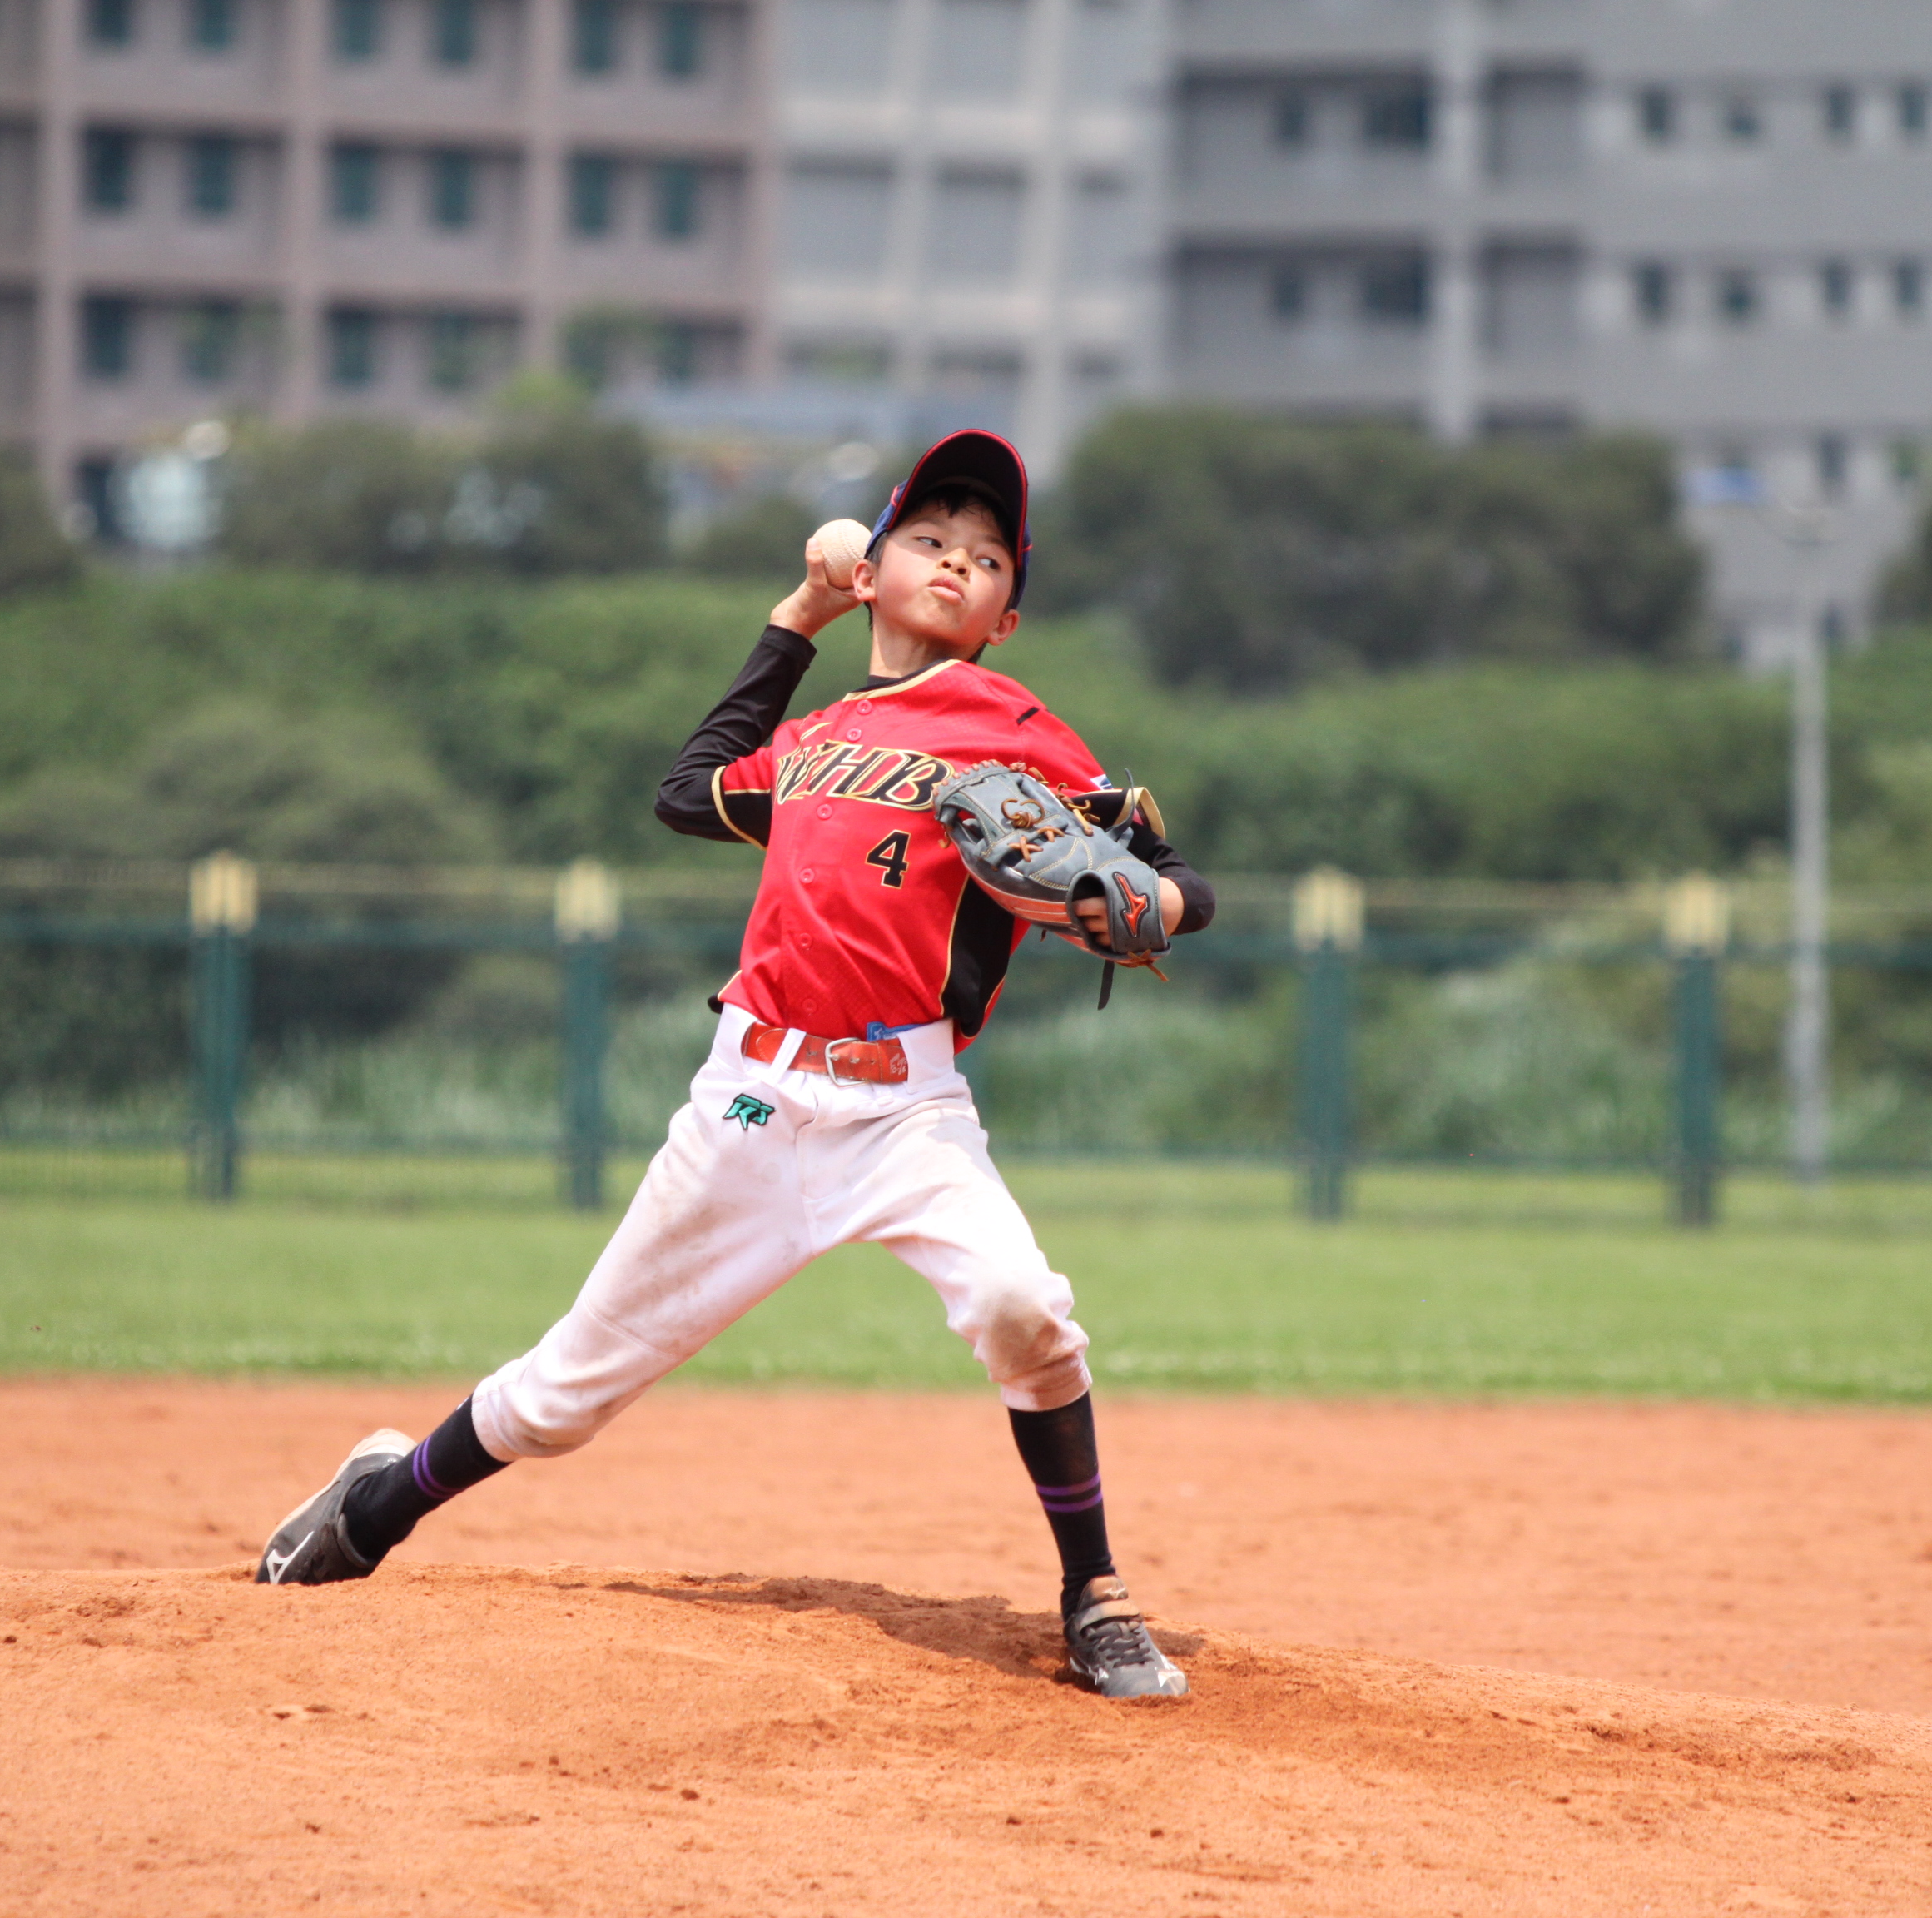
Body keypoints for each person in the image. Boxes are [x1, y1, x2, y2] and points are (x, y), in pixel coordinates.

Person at [257, 430, 1216, 1698]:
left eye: (988, 559)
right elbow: (686, 789)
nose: (957, 563)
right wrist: (798, 617)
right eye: (929, 539)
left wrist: (1152, 906)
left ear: (1007, 619)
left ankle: (1095, 1597)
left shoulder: (1014, 726)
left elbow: (1174, 877)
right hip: (751, 1102)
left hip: (905, 1111)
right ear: (874, 572)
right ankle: (372, 1508)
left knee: (1024, 1311)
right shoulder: (813, 739)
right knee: (559, 1400)